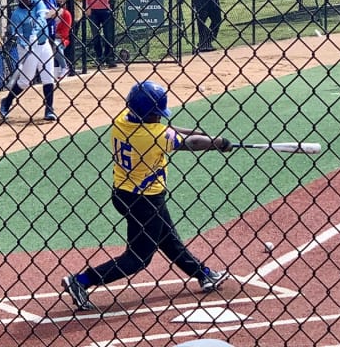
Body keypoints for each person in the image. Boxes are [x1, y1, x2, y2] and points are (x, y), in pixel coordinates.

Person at [61, 81, 233, 311]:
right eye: (155, 114)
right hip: (146, 201)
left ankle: (203, 273)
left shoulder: (122, 120)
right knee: (138, 258)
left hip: (123, 193)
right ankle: (81, 281)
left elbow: (169, 129)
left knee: (167, 238)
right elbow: (188, 142)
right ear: (148, 114)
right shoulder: (154, 137)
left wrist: (206, 136)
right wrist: (218, 143)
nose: (158, 117)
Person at [0, 0, 58, 122]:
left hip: (43, 44)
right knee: (25, 81)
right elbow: (16, 34)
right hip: (27, 48)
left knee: (48, 77)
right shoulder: (17, 15)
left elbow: (41, 19)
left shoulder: (38, 2)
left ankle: (49, 109)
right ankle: (6, 102)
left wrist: (34, 35)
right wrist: (26, 43)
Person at [38, 0, 68, 79]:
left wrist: (55, 14)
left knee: (53, 47)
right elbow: (42, 14)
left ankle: (62, 68)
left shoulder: (52, 0)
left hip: (51, 27)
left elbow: (55, 14)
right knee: (45, 50)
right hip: (43, 28)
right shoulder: (39, 0)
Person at [54, 0, 73, 79]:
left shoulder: (66, 14)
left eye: (60, 3)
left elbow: (64, 33)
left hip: (61, 39)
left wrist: (52, 34)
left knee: (55, 45)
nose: (58, 6)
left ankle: (64, 67)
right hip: (49, 37)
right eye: (56, 4)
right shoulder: (49, 14)